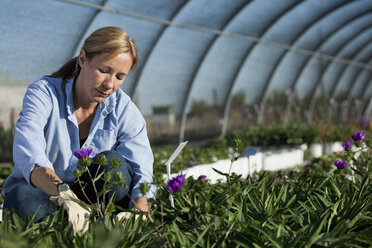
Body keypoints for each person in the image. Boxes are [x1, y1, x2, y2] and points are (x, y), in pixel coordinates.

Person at [1, 26, 155, 233]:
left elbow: (142, 170)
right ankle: (79, 229)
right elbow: (30, 154)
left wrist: (139, 213)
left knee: (114, 165)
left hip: (94, 199)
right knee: (22, 198)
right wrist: (64, 195)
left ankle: (102, 229)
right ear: (82, 59)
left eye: (120, 76)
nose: (109, 84)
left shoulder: (124, 109)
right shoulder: (44, 93)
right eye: (103, 70)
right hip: (44, 193)